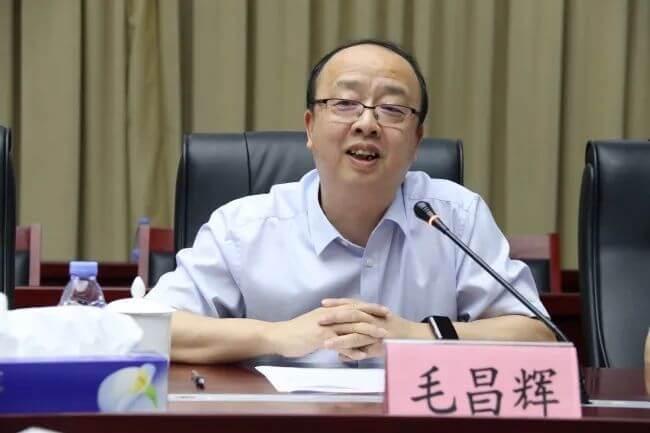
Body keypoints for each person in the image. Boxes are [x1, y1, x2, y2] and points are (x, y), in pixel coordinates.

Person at [146, 39, 554, 365]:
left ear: (416, 141)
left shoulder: (456, 217)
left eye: (392, 109)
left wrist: (417, 335)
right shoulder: (243, 227)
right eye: (345, 104)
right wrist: (277, 336)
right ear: (310, 127)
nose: (366, 123)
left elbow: (539, 336)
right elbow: (149, 329)